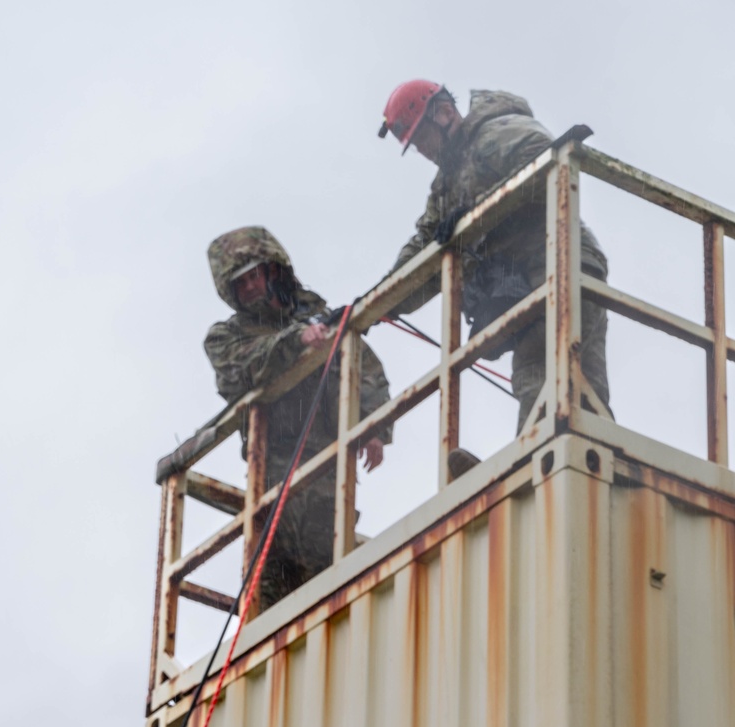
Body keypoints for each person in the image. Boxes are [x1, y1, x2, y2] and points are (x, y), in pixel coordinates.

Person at [379, 82, 611, 466]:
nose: (422, 150)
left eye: (421, 137)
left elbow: (548, 161)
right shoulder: (447, 185)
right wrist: (381, 300)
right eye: (415, 144)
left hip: (560, 260)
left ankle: (530, 473)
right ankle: (560, 468)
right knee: (570, 384)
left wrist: (476, 215)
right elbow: (424, 248)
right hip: (531, 280)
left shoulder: (496, 132)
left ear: (444, 113)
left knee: (545, 374)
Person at [205, 227, 394, 611]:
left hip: (328, 461)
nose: (249, 289)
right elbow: (240, 369)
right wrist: (295, 342)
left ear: (274, 272)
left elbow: (364, 367)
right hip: (274, 468)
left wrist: (374, 426)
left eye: (254, 276)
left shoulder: (317, 316)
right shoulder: (227, 336)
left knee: (328, 573)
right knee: (273, 578)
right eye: (239, 285)